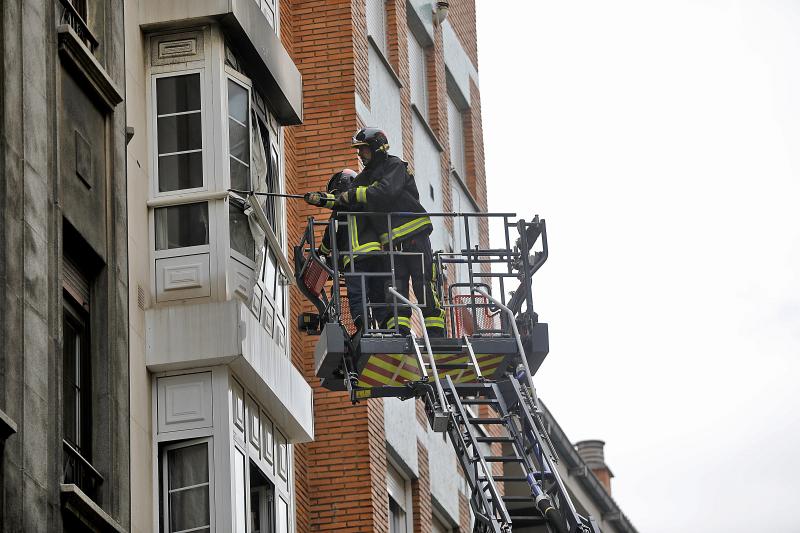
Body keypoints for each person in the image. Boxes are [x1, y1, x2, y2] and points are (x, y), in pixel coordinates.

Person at [334, 128, 446, 337]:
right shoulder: (365, 177)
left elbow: (386, 192)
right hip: (392, 243)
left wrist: (353, 195)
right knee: (395, 289)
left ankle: (435, 330)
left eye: (364, 150)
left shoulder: (394, 166)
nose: (360, 155)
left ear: (377, 147)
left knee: (423, 283)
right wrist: (326, 199)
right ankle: (399, 329)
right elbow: (347, 198)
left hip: (414, 234)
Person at [305, 169, 384, 331]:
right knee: (378, 296)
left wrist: (320, 254)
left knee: (357, 296)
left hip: (356, 260)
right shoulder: (367, 202)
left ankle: (364, 328)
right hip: (377, 258)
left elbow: (328, 240)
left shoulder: (341, 209)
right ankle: (385, 326)